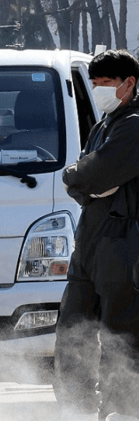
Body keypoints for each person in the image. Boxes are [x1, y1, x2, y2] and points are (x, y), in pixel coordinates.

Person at [54, 49, 139, 421]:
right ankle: (77, 409)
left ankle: (121, 411)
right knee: (72, 329)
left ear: (129, 84)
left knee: (121, 333)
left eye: (105, 84)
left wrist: (83, 178)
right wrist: (83, 179)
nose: (99, 90)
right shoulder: (103, 125)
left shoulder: (134, 124)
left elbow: (94, 175)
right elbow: (83, 180)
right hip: (89, 239)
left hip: (123, 240)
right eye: (95, 84)